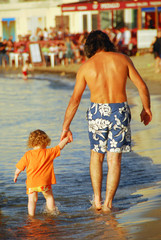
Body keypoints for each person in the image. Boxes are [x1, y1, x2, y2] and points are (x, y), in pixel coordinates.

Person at [60, 30, 152, 211]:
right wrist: (146, 108)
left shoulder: (86, 67)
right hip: (119, 111)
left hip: (97, 112)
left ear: (89, 46)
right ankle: (109, 204)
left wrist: (66, 126)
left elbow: (75, 100)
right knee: (114, 159)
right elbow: (141, 86)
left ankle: (97, 201)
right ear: (107, 43)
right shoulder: (123, 59)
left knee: (96, 156)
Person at [14, 129, 69, 216]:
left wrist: (16, 175)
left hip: (31, 183)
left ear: (31, 143)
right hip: (44, 182)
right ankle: (52, 213)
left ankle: (31, 216)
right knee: (49, 197)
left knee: (32, 200)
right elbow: (59, 147)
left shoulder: (27, 154)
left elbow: (19, 168)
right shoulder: (48, 152)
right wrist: (66, 139)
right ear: (46, 141)